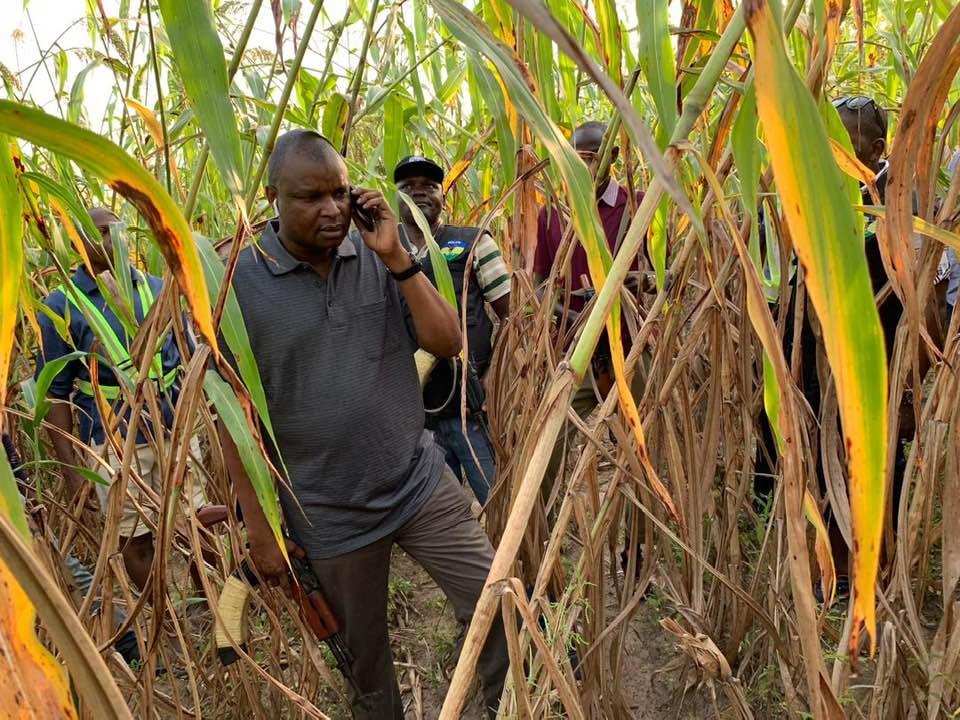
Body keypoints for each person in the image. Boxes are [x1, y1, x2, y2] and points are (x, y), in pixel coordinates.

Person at [219, 129, 507, 718]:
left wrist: (398, 259)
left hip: (418, 483)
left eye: (340, 193)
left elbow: (449, 341)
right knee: (367, 672)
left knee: (497, 607)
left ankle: (501, 707)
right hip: (328, 515)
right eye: (310, 197)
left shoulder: (379, 255)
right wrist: (260, 528)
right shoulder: (237, 281)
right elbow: (233, 414)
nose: (330, 210)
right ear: (272, 195)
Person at [35, 207, 203, 592]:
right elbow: (56, 396)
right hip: (114, 442)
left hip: (175, 431)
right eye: (100, 233)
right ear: (78, 243)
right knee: (134, 536)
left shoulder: (159, 288)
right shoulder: (60, 306)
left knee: (195, 522)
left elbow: (190, 356)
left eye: (116, 229)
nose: (112, 238)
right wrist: (72, 471)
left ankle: (211, 608)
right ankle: (163, 617)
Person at [394, 155, 511, 506]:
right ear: (395, 197)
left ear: (444, 196)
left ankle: (518, 558)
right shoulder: (378, 249)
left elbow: (514, 315)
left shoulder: (473, 242)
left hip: (469, 402)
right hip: (414, 411)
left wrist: (494, 373)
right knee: (441, 511)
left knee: (496, 497)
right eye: (408, 187)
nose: (419, 193)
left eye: (429, 186)